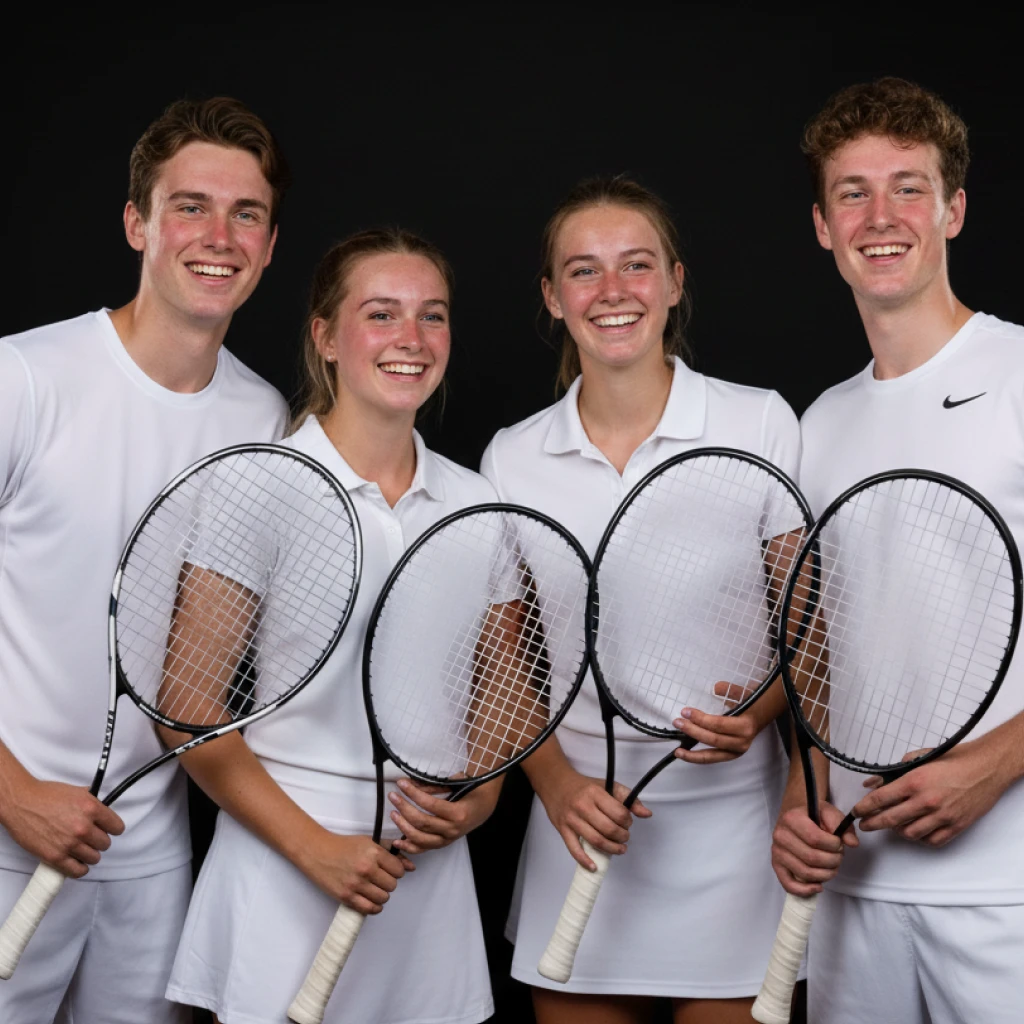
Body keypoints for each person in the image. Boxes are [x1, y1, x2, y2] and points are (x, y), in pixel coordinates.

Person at [481, 176, 800, 1024]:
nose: (612, 292)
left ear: (674, 281)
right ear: (553, 297)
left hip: (737, 833)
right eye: (583, 272)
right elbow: (501, 658)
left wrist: (761, 712)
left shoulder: (761, 423)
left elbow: (810, 628)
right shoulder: (512, 459)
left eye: (636, 265)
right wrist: (551, 785)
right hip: (578, 826)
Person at [0, 97, 290, 1022]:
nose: (219, 235)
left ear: (272, 245)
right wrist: (11, 793)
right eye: (191, 206)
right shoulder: (26, 379)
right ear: (138, 223)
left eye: (245, 214)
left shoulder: (263, 419)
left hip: (152, 847)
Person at [165, 228, 499, 1024]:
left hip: (426, 882)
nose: (411, 341)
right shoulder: (257, 481)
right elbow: (189, 711)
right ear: (325, 336)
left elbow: (504, 690)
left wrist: (479, 800)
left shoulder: (479, 502)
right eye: (380, 315)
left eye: (432, 316)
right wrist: (317, 850)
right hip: (282, 868)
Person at [771, 77, 1024, 1024]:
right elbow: (824, 647)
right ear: (822, 225)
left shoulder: (1018, 377)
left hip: (1007, 894)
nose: (881, 217)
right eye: (852, 192)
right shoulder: (821, 423)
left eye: (908, 187)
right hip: (852, 888)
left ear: (953, 210)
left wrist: (996, 764)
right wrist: (800, 795)